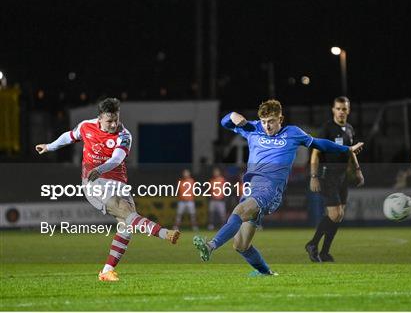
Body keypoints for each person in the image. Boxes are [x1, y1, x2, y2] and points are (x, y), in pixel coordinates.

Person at [193, 99, 364, 275]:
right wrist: (233, 116)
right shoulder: (253, 128)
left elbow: (320, 143)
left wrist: (347, 149)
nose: (267, 126)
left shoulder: (292, 133)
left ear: (280, 119)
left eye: (271, 121)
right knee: (241, 245)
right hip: (251, 189)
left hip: (270, 190)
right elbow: (224, 122)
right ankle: (267, 273)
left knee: (239, 210)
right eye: (264, 121)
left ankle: (210, 245)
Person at [35, 98, 180, 282]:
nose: (113, 124)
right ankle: (164, 233)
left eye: (116, 120)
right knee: (125, 212)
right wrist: (49, 146)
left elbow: (117, 160)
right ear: (99, 118)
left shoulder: (124, 135)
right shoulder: (87, 126)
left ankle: (106, 271)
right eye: (109, 121)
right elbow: (69, 136)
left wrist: (100, 168)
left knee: (127, 226)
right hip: (93, 182)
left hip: (116, 181)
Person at [305, 96, 364, 262]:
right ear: (333, 110)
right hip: (327, 174)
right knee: (334, 213)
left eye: (344, 109)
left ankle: (324, 252)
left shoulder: (350, 129)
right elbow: (315, 153)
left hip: (343, 175)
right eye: (338, 108)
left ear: (348, 110)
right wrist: (313, 176)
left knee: (339, 215)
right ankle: (312, 244)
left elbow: (351, 151)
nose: (341, 112)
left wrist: (358, 171)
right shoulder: (327, 129)